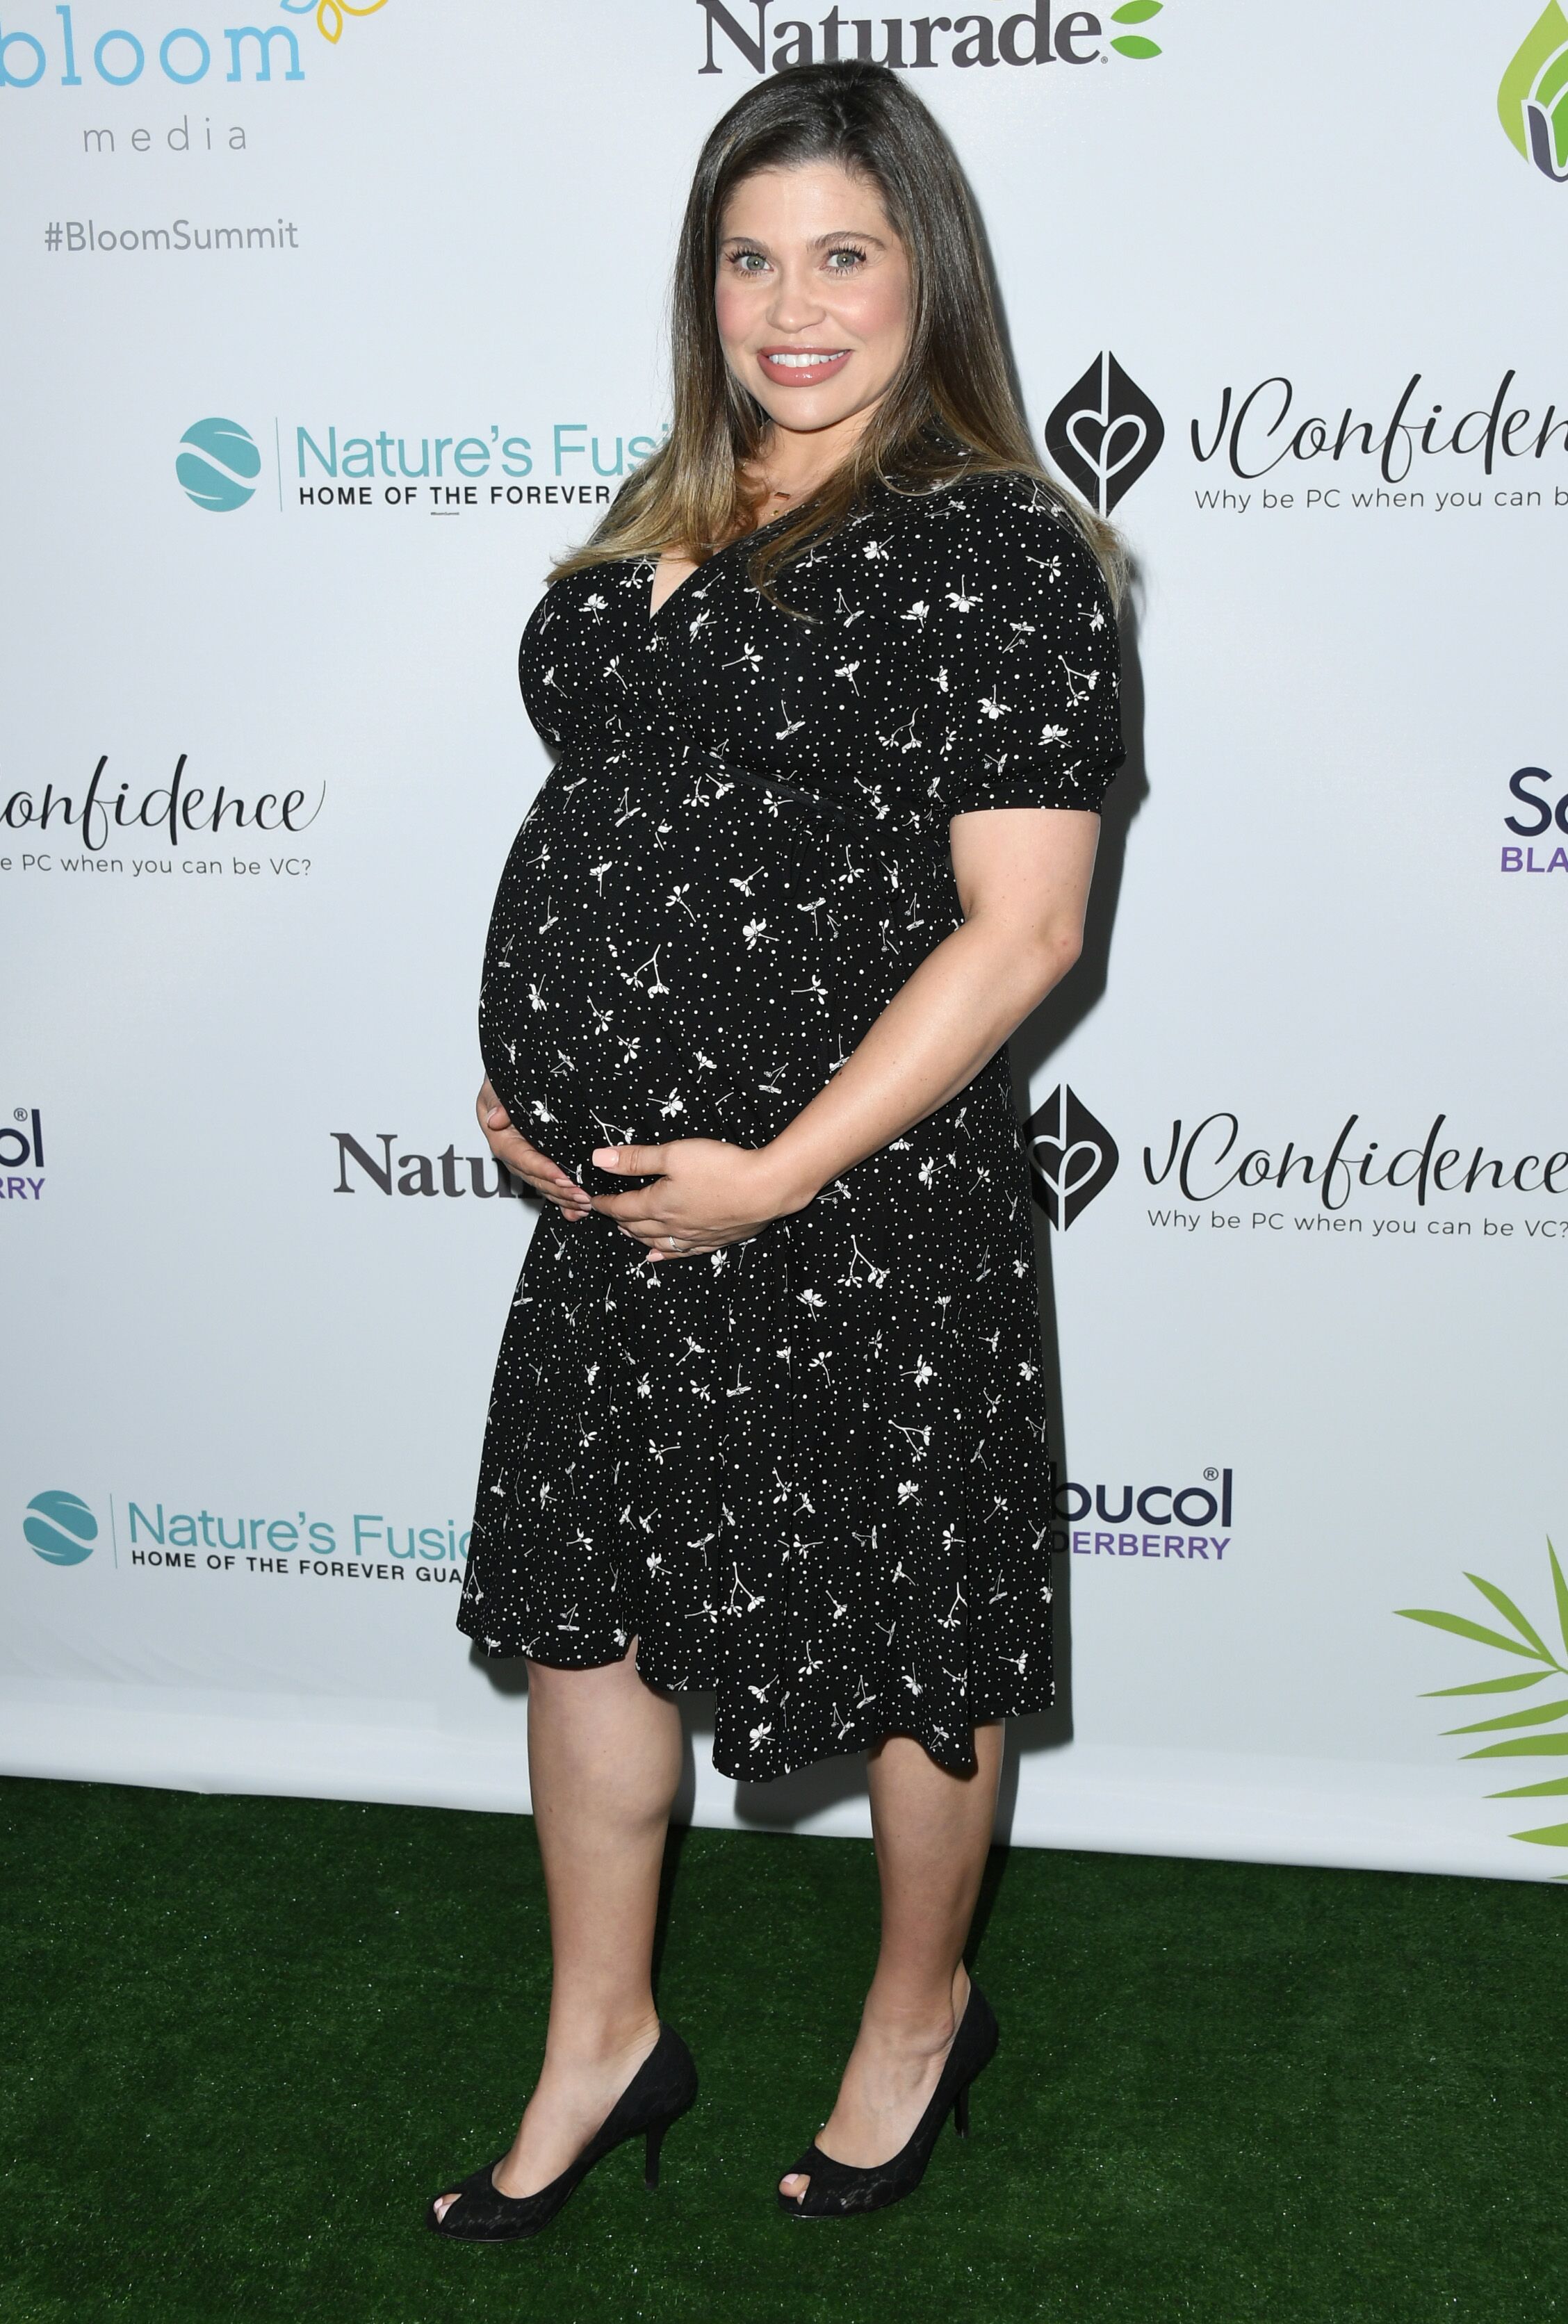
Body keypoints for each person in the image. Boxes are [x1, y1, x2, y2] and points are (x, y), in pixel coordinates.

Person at [428, 58, 1125, 2240]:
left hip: (861, 1201)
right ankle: (602, 2041)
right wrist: (536, 1097)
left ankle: (920, 2016)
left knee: (912, 1639)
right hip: (625, 1205)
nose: (791, 306)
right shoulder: (666, 516)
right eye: (751, 258)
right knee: (589, 1628)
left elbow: (1026, 931)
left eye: (844, 254)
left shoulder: (997, 548)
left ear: (930, 277)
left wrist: (780, 1166)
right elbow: (627, 835)